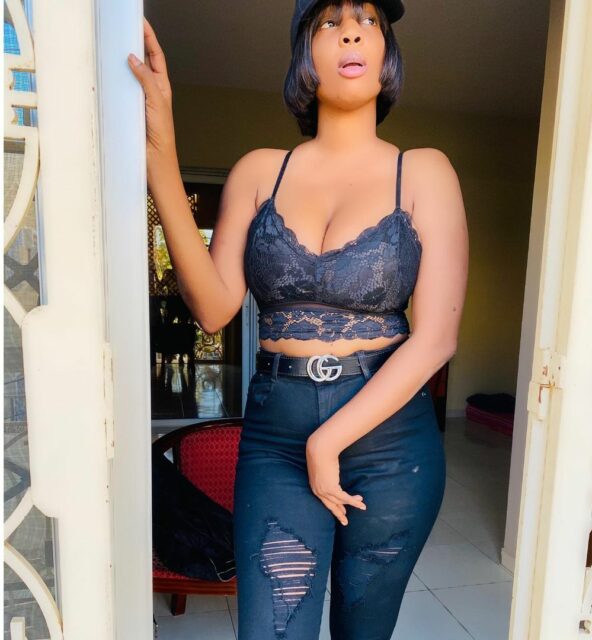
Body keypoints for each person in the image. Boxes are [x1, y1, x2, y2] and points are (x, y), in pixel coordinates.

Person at [128, 1, 468, 637]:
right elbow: (213, 310)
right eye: (329, 23)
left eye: (368, 21)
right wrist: (163, 158)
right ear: (305, 55)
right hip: (277, 441)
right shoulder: (261, 171)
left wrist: (327, 442)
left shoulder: (424, 171)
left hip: (392, 447)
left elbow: (436, 339)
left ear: (386, 53)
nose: (351, 33)